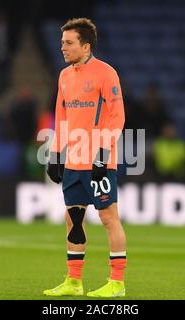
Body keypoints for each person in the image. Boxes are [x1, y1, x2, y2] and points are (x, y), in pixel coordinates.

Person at [44, 18, 127, 298]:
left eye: (69, 43)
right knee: (72, 219)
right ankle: (74, 281)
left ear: (86, 45)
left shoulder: (106, 73)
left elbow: (117, 117)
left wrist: (103, 155)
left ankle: (117, 283)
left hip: (98, 160)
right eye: (62, 42)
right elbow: (61, 116)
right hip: (73, 161)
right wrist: (55, 155)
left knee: (108, 217)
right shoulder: (64, 76)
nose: (63, 47)